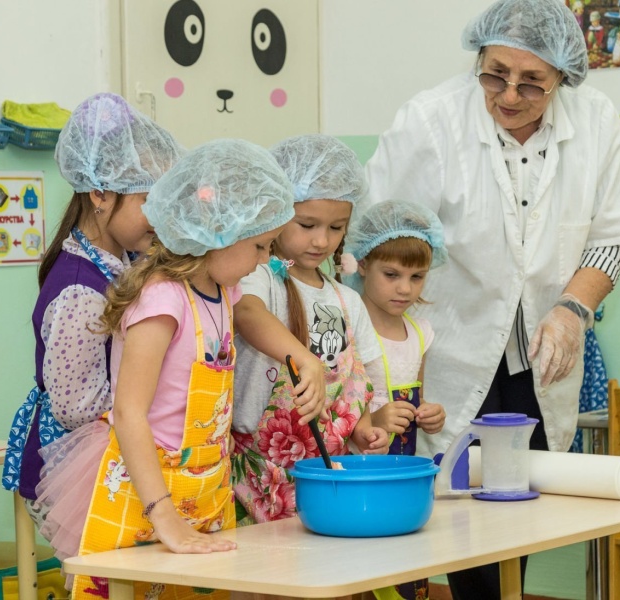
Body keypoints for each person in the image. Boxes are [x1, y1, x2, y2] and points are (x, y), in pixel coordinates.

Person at [363, 0, 620, 597]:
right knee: (444, 517)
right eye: (495, 74)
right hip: (445, 349)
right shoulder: (431, 121)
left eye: (532, 82)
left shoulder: (594, 120)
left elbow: (612, 240)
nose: (510, 94)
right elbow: (377, 241)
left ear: (564, 76)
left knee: (521, 509)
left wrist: (572, 310)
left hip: (539, 356)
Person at [32, 138, 295, 600]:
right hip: (145, 490)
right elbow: (129, 412)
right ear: (217, 232)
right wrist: (164, 514)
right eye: (259, 245)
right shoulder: (161, 299)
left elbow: (249, 316)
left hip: (203, 485)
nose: (264, 259)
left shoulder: (221, 290)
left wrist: (301, 358)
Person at [1, 92, 183, 525]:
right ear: (100, 193)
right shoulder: (80, 292)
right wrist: (147, 392)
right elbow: (75, 408)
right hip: (76, 467)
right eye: (150, 201)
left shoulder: (126, 261)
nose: (161, 217)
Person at [231, 134, 388, 525]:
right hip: (257, 474)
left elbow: (353, 381)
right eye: (306, 224)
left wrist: (364, 432)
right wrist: (305, 358)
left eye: (336, 227)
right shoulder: (258, 276)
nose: (322, 240)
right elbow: (246, 312)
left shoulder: (346, 300)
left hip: (324, 474)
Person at [344, 200, 448, 600]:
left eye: (417, 276)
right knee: (360, 566)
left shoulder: (420, 333)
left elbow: (419, 395)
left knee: (404, 559)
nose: (405, 288)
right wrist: (374, 419)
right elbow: (339, 401)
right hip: (357, 470)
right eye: (392, 275)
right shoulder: (350, 326)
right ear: (362, 263)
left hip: (403, 469)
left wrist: (431, 415)